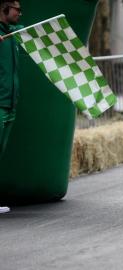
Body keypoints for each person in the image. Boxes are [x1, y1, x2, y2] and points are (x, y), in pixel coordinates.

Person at [0, 0, 22, 213]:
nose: (20, 13)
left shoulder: (13, 33)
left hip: (9, 104)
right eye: (17, 9)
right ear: (4, 8)